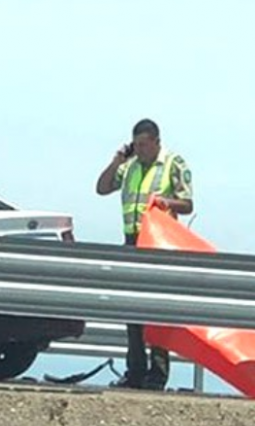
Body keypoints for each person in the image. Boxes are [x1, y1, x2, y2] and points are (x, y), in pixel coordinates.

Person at [96, 118, 194, 390]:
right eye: (135, 145)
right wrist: (117, 160)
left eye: (144, 145)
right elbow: (102, 188)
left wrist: (165, 202)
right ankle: (135, 371)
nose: (139, 150)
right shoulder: (129, 167)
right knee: (132, 309)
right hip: (132, 240)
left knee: (157, 310)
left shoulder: (173, 163)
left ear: (156, 143)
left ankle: (157, 374)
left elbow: (187, 203)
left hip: (160, 243)